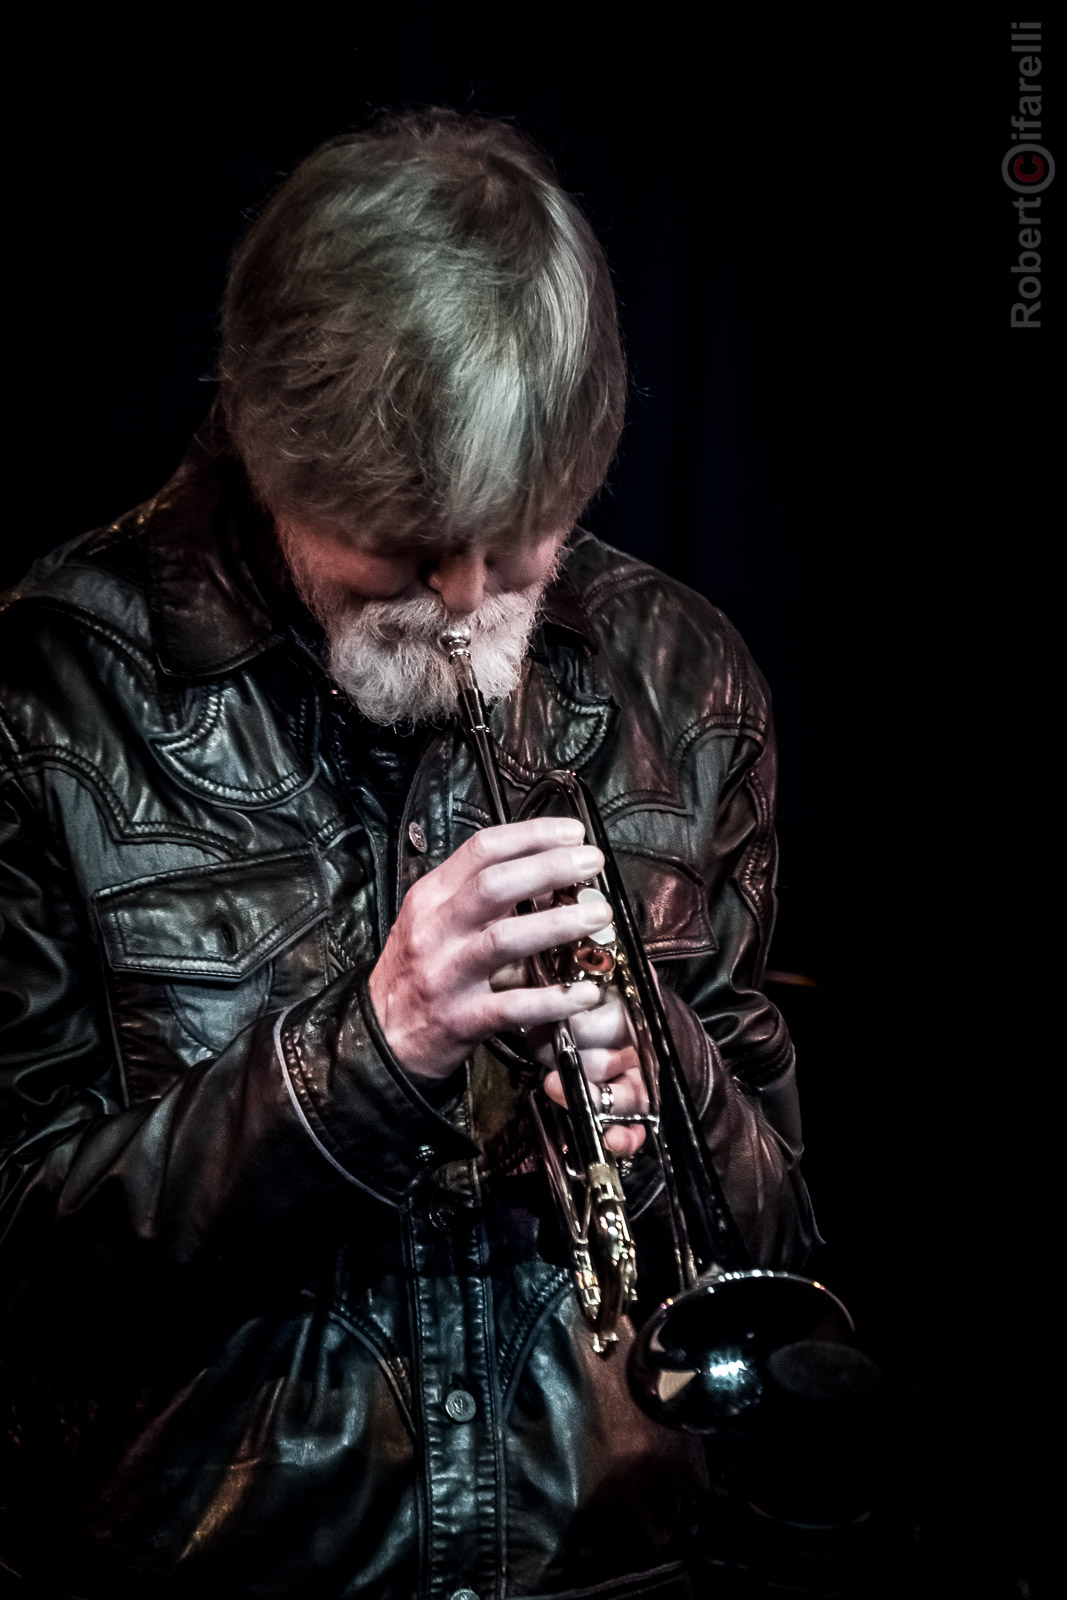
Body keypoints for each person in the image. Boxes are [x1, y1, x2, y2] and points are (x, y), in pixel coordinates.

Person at [0, 109, 815, 1600]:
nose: (462, 599)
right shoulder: (54, 699)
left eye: (518, 541)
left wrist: (667, 1071)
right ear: (265, 440)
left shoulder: (687, 676)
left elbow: (785, 1230)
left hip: (630, 1574)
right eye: (401, 539)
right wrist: (371, 1049)